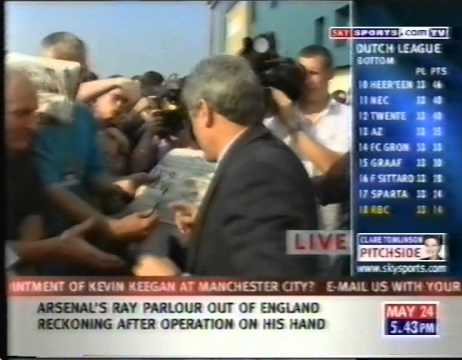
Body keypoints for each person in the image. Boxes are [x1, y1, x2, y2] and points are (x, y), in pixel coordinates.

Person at [143, 55, 320, 277]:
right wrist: (210, 227)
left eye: (191, 116)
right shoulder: (252, 157)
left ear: (204, 112)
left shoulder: (261, 172)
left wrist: (175, 285)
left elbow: (272, 294)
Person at [36, 32, 160, 274]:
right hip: (47, 244)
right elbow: (50, 187)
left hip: (88, 236)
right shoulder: (35, 120)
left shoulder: (83, 118)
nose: (67, 79)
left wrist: (123, 185)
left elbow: (94, 174)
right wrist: (109, 226)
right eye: (58, 70)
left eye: (75, 71)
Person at [5, 68, 126, 274]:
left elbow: (31, 214)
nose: (34, 126)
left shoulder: (22, 157)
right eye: (22, 114)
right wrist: (49, 249)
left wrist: (27, 272)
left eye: (35, 113)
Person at [264, 45, 352, 231]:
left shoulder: (349, 118)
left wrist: (294, 129)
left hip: (331, 233)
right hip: (284, 229)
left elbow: (337, 171)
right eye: (301, 73)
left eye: (313, 73)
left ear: (331, 74)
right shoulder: (273, 121)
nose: (306, 80)